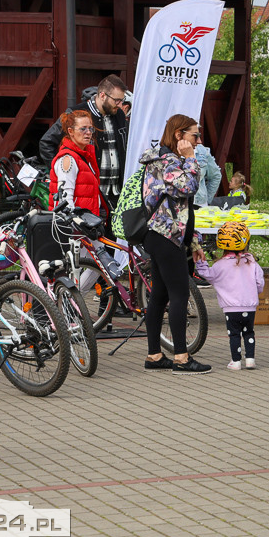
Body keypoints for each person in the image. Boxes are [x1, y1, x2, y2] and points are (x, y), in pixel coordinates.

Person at [139, 114, 210, 374]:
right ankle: (181, 357)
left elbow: (182, 209)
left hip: (164, 235)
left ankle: (155, 355)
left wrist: (193, 241)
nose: (199, 141)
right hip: (165, 236)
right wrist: (191, 158)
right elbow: (189, 188)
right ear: (179, 135)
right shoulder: (167, 161)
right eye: (194, 135)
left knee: (160, 294)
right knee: (179, 294)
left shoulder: (167, 160)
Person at [40, 75, 129, 209]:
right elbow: (46, 142)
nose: (120, 105)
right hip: (88, 193)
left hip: (117, 192)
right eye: (116, 100)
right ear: (103, 95)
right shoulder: (76, 114)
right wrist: (61, 171)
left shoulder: (119, 115)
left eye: (122, 100)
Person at [195, 222, 264, 370]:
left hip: (230, 309)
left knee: (234, 334)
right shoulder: (252, 263)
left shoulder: (220, 265)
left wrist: (201, 263)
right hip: (250, 307)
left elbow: (207, 274)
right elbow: (260, 283)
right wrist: (254, 293)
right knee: (249, 332)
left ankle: (236, 361)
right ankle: (250, 359)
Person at [49, 110, 106, 216]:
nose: (88, 132)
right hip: (76, 225)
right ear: (71, 131)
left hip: (88, 220)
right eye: (83, 129)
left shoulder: (84, 155)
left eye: (90, 128)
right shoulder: (68, 158)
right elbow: (65, 199)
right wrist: (75, 225)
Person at [192, 143, 223, 207]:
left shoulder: (201, 151)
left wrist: (206, 199)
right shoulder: (169, 152)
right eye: (195, 136)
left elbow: (216, 176)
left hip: (199, 204)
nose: (199, 141)